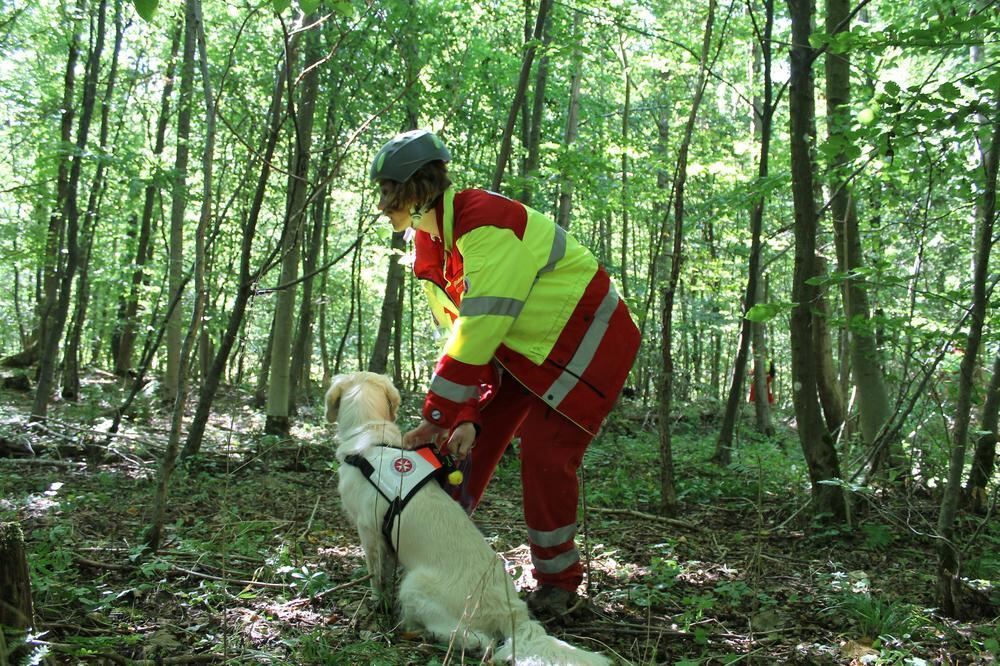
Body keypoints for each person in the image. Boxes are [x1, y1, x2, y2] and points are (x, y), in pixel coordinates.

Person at [370, 128, 640, 619]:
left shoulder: (485, 223)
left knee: (544, 451)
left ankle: (558, 585)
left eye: (389, 191)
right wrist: (463, 414)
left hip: (585, 339)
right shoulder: (431, 249)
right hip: (517, 347)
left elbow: (481, 325)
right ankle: (431, 555)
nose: (382, 203)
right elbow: (458, 336)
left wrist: (436, 411)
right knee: (457, 441)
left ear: (416, 189)